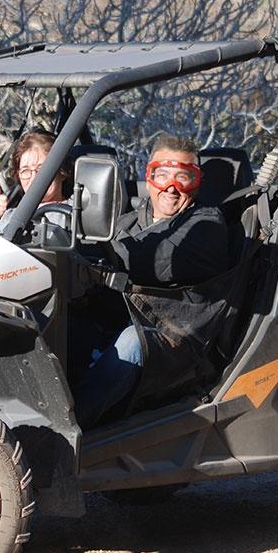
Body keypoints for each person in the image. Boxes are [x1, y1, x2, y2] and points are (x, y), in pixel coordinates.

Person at [73, 134, 230, 429]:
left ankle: (66, 434)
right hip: (129, 317)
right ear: (150, 176)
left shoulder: (206, 225)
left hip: (177, 335)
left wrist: (86, 261)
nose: (172, 188)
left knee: (132, 342)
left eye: (184, 177)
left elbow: (150, 258)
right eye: (162, 175)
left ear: (197, 182)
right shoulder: (129, 221)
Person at [0, 130, 70, 234]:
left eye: (42, 170)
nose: (34, 178)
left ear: (62, 171)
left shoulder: (76, 214)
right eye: (25, 171)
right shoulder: (11, 216)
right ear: (18, 176)